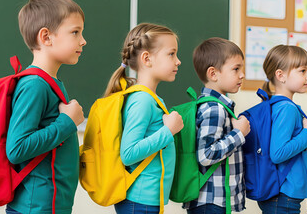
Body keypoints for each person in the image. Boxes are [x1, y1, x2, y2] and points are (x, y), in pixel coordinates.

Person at [5, 0, 86, 214]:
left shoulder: (51, 82)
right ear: (46, 37)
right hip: (35, 207)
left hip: (50, 206)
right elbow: (17, 148)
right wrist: (67, 122)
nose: (83, 40)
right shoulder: (35, 85)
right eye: (75, 32)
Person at [106, 23, 184, 214]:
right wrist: (168, 131)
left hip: (145, 201)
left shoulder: (150, 98)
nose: (178, 61)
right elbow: (129, 153)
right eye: (171, 54)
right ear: (147, 59)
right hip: (139, 202)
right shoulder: (142, 100)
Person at [184, 37, 250, 213]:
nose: (242, 74)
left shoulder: (214, 106)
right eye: (236, 69)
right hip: (211, 203)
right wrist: (239, 134)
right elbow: (206, 155)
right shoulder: (215, 109)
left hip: (214, 202)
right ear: (213, 74)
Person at [258, 45, 307, 214]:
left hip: (280, 194)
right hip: (283, 195)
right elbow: (278, 153)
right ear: (281, 75)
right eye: (302, 71)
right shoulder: (287, 108)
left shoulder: (275, 105)